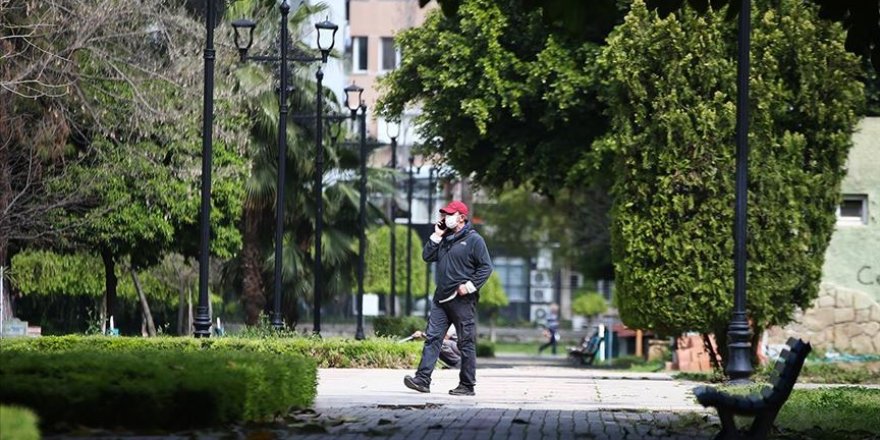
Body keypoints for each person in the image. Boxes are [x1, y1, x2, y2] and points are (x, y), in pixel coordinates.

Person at [404, 200, 493, 396]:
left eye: (449, 214)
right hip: (440, 300)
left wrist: (468, 287)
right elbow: (427, 256)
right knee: (433, 338)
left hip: (462, 300)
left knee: (465, 343)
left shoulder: (474, 240)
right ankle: (422, 380)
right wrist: (436, 235)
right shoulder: (444, 238)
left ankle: (467, 386)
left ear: (462, 217)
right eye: (444, 214)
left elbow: (486, 267)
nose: (445, 218)